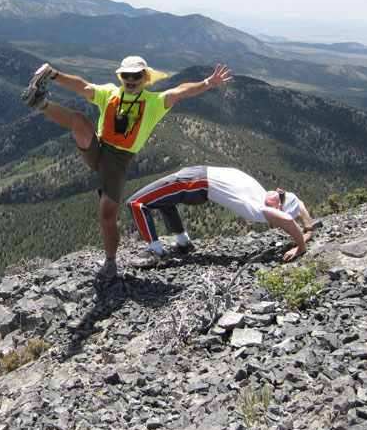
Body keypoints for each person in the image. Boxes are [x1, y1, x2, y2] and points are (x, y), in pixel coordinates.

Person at [21, 57, 233, 281]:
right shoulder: (110, 93)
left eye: (136, 76)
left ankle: (110, 263)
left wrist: (207, 83)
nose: (130, 80)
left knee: (107, 213)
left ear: (144, 77)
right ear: (121, 77)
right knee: (80, 121)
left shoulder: (153, 102)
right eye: (126, 75)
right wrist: (54, 74)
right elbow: (83, 86)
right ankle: (40, 103)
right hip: (98, 147)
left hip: (118, 160)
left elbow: (180, 91)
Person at [126, 165, 315, 267]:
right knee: (165, 201)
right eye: (282, 191)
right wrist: (308, 229)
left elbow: (288, 220)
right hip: (196, 179)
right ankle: (183, 243)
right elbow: (300, 206)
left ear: (278, 209)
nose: (278, 191)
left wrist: (301, 247)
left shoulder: (256, 208)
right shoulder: (262, 195)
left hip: (193, 182)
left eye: (281, 196)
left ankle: (155, 252)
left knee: (136, 203)